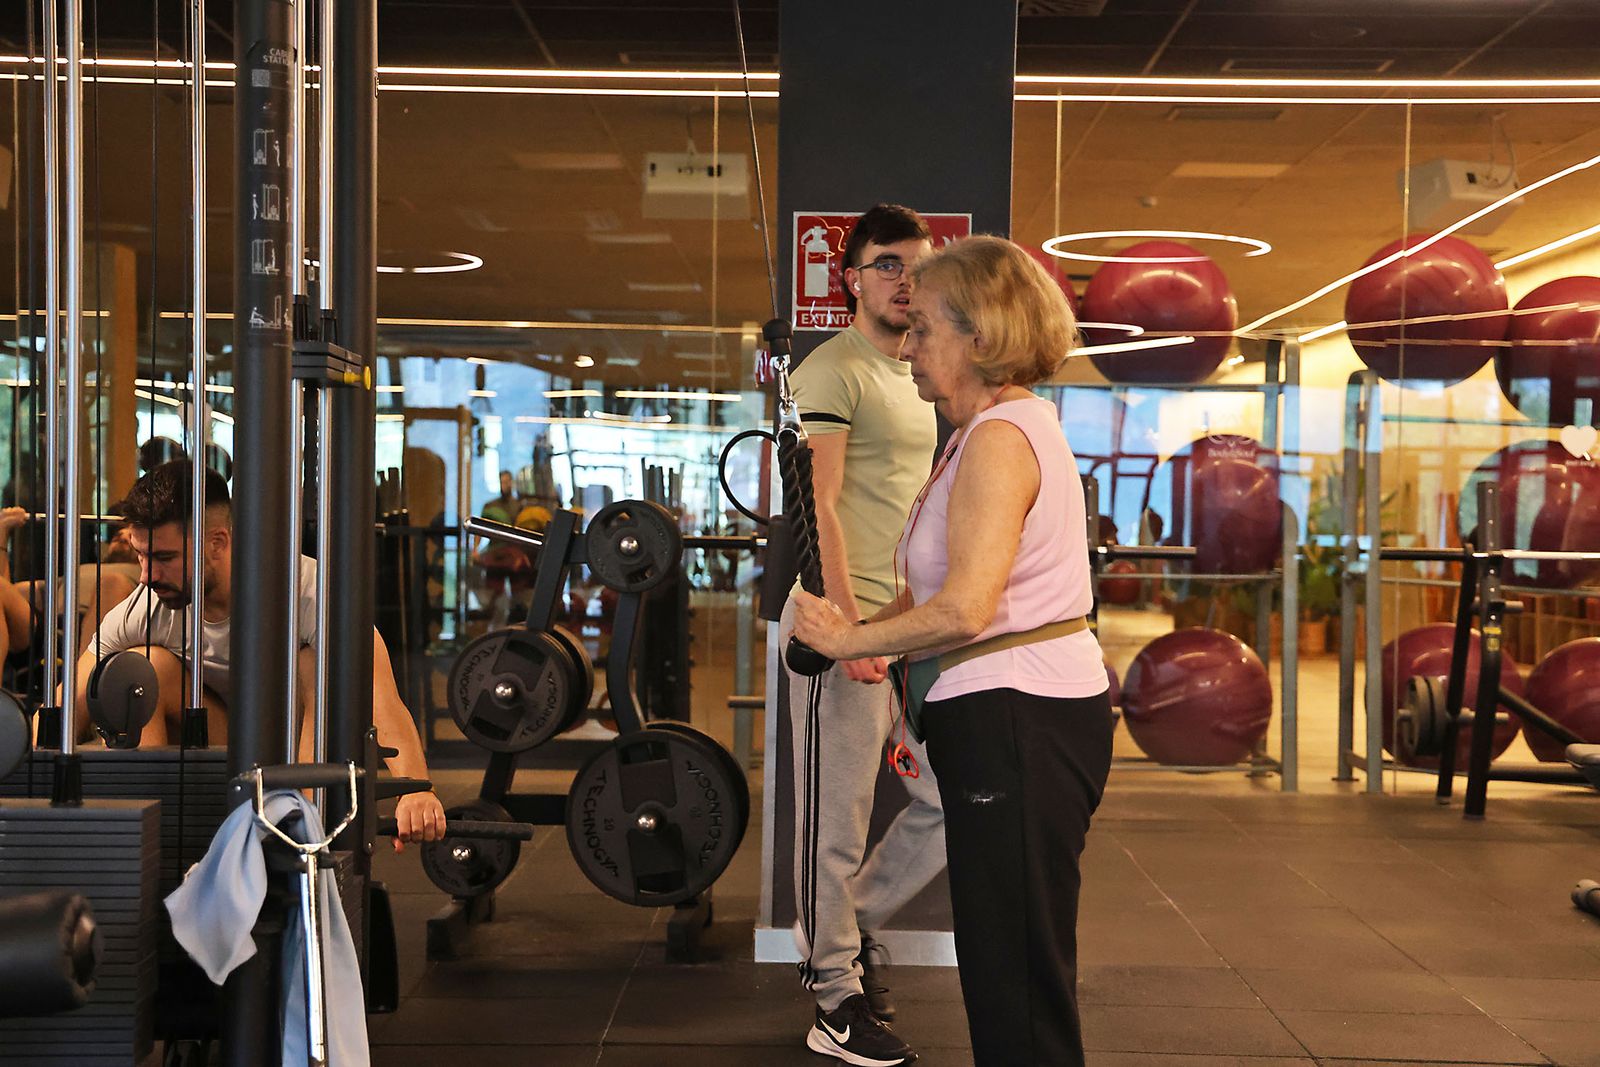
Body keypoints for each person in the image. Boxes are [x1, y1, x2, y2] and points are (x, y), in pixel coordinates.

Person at [794, 235, 1115, 1067]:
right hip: (1003, 714)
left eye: (926, 327)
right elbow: (931, 591)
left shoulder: (1003, 438)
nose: (909, 346)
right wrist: (894, 675)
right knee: (1004, 954)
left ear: (982, 335)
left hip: (1024, 719)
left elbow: (967, 607)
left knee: (1015, 964)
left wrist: (848, 638)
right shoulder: (976, 434)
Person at [65, 461, 446, 850]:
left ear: (217, 541)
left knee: (311, 664)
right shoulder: (147, 607)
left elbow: (379, 696)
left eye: (164, 557)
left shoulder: (308, 591)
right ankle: (153, 844)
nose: (147, 575)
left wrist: (415, 790)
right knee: (143, 669)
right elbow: (72, 697)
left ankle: (300, 836)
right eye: (141, 556)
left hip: (298, 751)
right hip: (221, 748)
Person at [783, 203, 945, 1067]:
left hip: (904, 625)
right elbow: (822, 507)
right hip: (837, 624)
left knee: (947, 800)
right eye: (887, 263)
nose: (903, 278)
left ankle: (846, 933)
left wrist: (907, 624)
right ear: (849, 277)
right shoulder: (832, 370)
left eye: (916, 265)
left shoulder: (913, 371)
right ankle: (834, 998)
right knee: (834, 826)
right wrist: (848, 628)